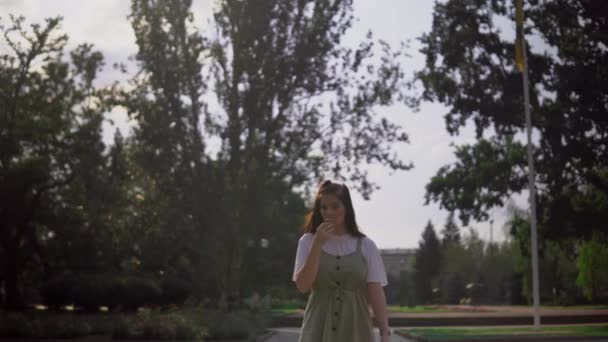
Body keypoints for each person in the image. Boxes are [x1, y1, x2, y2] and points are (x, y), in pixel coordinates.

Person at [292, 180, 391, 342]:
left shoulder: (366, 245)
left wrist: (384, 332)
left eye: (335, 206)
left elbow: (375, 292)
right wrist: (317, 244)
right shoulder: (308, 241)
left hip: (357, 328)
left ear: (347, 208)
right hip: (318, 327)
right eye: (323, 207)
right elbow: (303, 286)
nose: (329, 212)